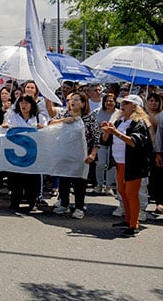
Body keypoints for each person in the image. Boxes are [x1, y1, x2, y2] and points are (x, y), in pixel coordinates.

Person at [101, 94, 151, 237]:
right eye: (123, 103)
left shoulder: (139, 123)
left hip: (133, 164)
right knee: (122, 192)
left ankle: (133, 224)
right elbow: (106, 140)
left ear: (135, 107)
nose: (123, 105)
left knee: (131, 194)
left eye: (127, 103)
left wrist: (115, 132)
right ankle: (128, 219)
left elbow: (134, 142)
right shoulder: (120, 120)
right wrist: (107, 131)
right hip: (120, 162)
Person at [49, 92, 99, 219]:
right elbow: (50, 125)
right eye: (71, 100)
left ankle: (79, 207)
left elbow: (96, 139)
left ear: (83, 104)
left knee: (79, 183)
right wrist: (65, 120)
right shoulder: (64, 115)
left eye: (77, 100)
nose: (73, 102)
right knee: (64, 180)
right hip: (65, 154)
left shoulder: (89, 119)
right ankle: (64, 204)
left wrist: (92, 155)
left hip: (82, 157)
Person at [3, 95, 47, 213]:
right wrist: (5, 127)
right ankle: (15, 201)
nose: (24, 105)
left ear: (32, 105)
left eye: (27, 103)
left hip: (33, 153)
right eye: (21, 102)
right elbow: (5, 129)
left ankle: (32, 201)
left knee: (32, 178)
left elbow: (48, 133)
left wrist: (43, 129)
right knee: (16, 177)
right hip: (17, 153)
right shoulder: (12, 117)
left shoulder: (39, 118)